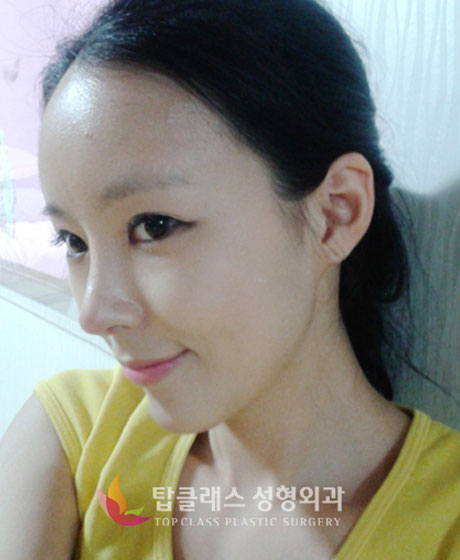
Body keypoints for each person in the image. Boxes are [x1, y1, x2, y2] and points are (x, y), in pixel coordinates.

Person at [0, 0, 459, 558]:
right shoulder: (74, 433)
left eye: (154, 226)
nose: (93, 314)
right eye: (74, 242)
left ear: (335, 213)